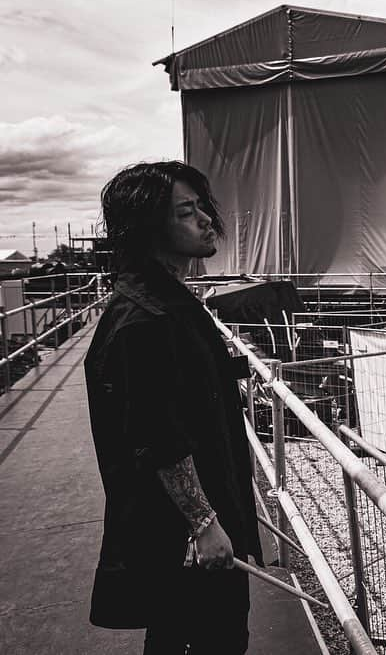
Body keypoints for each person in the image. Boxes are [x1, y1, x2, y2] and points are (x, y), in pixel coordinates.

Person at [85, 162, 262, 654]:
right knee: (210, 641)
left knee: (177, 640)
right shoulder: (143, 318)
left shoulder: (169, 300)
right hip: (182, 540)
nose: (206, 218)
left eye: (201, 206)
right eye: (187, 211)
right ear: (149, 229)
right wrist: (204, 524)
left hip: (192, 531)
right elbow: (157, 436)